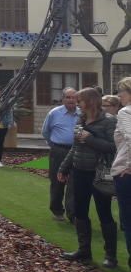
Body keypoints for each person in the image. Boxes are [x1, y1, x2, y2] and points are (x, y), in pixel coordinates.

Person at [57, 87, 118, 268]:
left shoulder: (109, 121)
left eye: (80, 101)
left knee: (104, 212)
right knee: (80, 211)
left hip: (98, 174)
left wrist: (90, 139)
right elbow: (75, 147)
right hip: (80, 172)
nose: (77, 104)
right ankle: (84, 251)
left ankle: (111, 256)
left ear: (90, 101)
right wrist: (64, 167)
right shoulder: (80, 119)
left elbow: (113, 147)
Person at [41, 87, 79, 221]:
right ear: (63, 99)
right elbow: (45, 132)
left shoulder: (82, 114)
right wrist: (54, 146)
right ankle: (57, 211)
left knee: (74, 184)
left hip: (77, 151)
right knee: (57, 181)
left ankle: (73, 214)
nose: (71, 100)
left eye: (73, 97)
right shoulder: (54, 113)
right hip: (59, 151)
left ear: (77, 99)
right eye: (68, 97)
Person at [111, 77, 131, 272]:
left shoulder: (125, 112)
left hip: (126, 174)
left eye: (121, 92)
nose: (119, 96)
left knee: (128, 221)